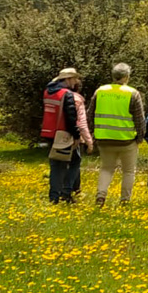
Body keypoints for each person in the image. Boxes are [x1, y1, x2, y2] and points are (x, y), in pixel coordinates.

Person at [89, 62, 147, 206]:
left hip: (104, 138)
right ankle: (125, 200)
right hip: (126, 140)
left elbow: (90, 114)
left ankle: (101, 196)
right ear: (127, 76)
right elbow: (139, 119)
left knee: (106, 168)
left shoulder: (100, 91)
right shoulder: (133, 93)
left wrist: (92, 134)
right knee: (128, 171)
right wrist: (140, 137)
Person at [40, 67, 92, 203]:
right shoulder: (66, 94)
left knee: (55, 165)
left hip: (49, 132)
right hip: (63, 134)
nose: (75, 82)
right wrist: (76, 136)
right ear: (68, 79)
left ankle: (54, 197)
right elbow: (70, 118)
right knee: (74, 162)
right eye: (74, 78)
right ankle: (66, 193)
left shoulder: (48, 92)